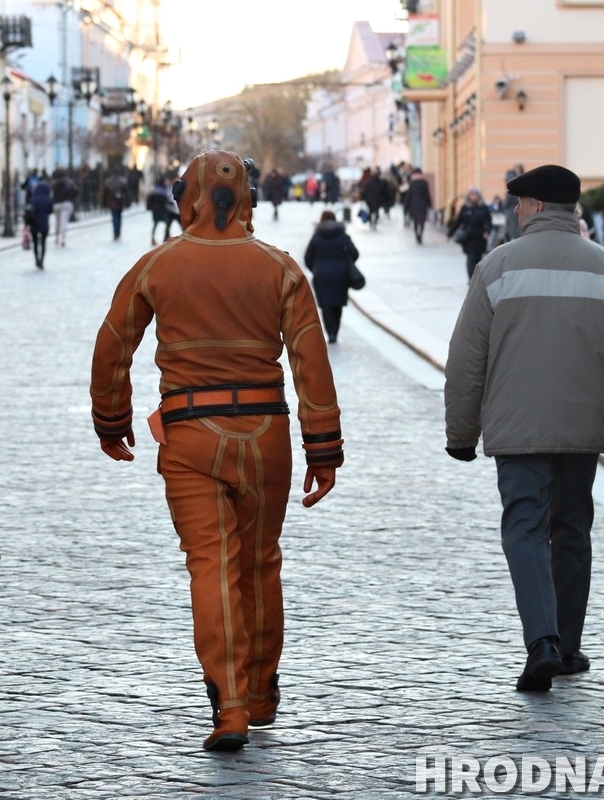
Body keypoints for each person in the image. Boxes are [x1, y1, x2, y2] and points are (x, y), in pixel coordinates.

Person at [90, 150, 345, 752]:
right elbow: (311, 361)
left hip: (190, 433)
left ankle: (228, 707)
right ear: (246, 197)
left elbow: (113, 344)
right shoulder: (280, 268)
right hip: (265, 433)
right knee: (260, 563)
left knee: (210, 564)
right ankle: (260, 694)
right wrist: (323, 447)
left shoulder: (157, 265)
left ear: (188, 199)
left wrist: (111, 418)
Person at [445, 164, 604, 693]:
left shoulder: (497, 266)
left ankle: (541, 642)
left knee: (525, 528)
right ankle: (567, 647)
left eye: (519, 204)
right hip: (582, 429)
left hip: (516, 428)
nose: (515, 211)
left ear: (536, 206)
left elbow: (467, 360)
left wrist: (461, 432)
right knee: (572, 531)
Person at [303, 210, 360, 344]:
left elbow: (307, 258)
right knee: (338, 303)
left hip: (322, 274)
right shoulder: (342, 236)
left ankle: (331, 332)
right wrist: (346, 263)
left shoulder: (317, 237)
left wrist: (315, 268)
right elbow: (355, 253)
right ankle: (335, 330)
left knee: (325, 305)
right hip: (341, 274)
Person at [446, 187, 494, 280]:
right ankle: (471, 280)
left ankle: (477, 279)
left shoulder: (483, 208)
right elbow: (458, 222)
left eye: (475, 195)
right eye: (472, 195)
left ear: (478, 196)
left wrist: (487, 232)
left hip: (480, 238)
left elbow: (488, 222)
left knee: (478, 260)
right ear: (468, 196)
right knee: (470, 259)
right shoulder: (465, 208)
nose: (474, 197)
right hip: (469, 239)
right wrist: (449, 234)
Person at [27, 178, 54, 270]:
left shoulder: (33, 199)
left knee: (35, 243)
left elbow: (29, 210)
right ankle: (42, 260)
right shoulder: (48, 199)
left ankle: (36, 259)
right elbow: (51, 211)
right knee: (43, 243)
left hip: (34, 223)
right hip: (44, 223)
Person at [403, 168, 433, 245]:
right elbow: (427, 194)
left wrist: (406, 206)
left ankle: (417, 234)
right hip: (423, 204)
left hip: (414, 205)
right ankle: (421, 235)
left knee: (415, 221)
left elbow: (409, 196)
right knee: (422, 221)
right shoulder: (424, 183)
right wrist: (429, 204)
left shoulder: (412, 183)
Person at [51, 169, 78, 247]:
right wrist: (71, 198)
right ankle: (63, 237)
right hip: (67, 203)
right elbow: (76, 191)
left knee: (58, 222)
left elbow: (52, 194)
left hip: (57, 204)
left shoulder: (54, 183)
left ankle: (56, 237)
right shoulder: (70, 182)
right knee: (64, 221)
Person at [102, 169, 129, 241]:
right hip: (119, 203)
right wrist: (127, 203)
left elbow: (105, 194)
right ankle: (118, 232)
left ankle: (116, 233)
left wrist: (104, 204)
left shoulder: (108, 182)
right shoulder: (122, 182)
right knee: (119, 217)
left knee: (114, 218)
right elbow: (126, 193)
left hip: (112, 203)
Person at [146, 178, 171, 245]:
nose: (166, 183)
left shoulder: (156, 190)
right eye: (165, 182)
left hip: (157, 211)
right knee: (165, 223)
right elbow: (163, 201)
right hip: (160, 210)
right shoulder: (161, 192)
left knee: (158, 224)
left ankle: (155, 238)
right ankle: (165, 237)